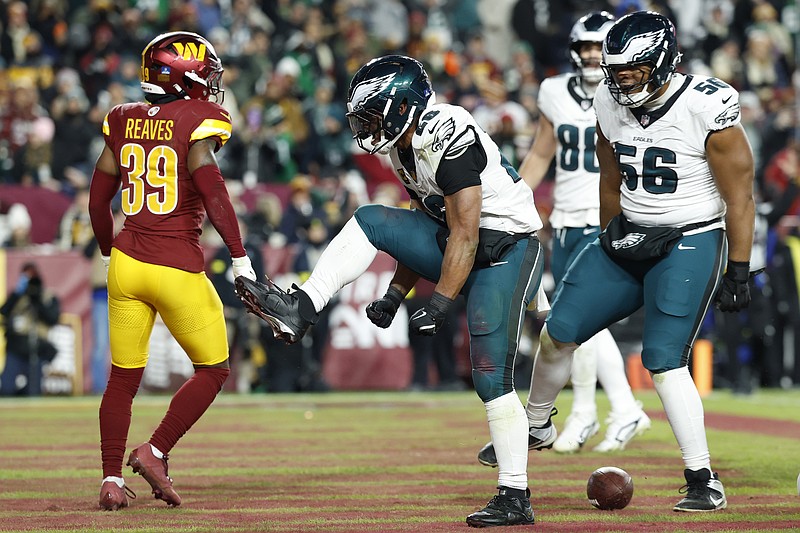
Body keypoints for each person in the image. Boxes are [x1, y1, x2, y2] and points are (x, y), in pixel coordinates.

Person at [235, 55, 546, 527]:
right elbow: (429, 224)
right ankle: (303, 306)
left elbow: (464, 232)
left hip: (505, 248)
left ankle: (515, 494)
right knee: (372, 219)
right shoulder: (400, 148)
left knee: (489, 375)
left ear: (402, 106)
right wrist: (396, 294)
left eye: (373, 112)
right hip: (461, 243)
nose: (365, 125)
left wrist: (439, 303)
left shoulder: (447, 130)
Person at [516, 11, 755, 513]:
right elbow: (610, 176)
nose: (622, 81)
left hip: (690, 237)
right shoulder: (606, 99)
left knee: (663, 360)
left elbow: (740, 197)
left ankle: (702, 477)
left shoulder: (704, 105)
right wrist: (608, 236)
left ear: (663, 62)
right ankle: (534, 424)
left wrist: (738, 267)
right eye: (615, 71)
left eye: (633, 71)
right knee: (559, 329)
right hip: (629, 230)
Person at [88, 31, 257, 511]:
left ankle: (110, 479)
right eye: (205, 73)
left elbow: (98, 201)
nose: (211, 81)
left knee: (122, 379)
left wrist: (107, 250)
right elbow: (213, 192)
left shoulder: (121, 119)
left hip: (126, 264)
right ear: (185, 76)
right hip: (175, 265)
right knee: (214, 369)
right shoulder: (199, 119)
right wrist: (240, 257)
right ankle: (155, 450)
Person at [477, 11, 650, 461]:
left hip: (609, 212)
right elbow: (540, 151)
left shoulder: (630, 92)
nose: (594, 54)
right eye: (587, 47)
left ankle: (592, 411)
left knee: (579, 318)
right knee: (580, 321)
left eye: (601, 46)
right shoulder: (553, 90)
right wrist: (514, 200)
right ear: (575, 51)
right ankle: (619, 408)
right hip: (568, 216)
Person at [0, 262, 61, 396]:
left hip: (37, 348)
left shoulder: (48, 296)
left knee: (33, 391)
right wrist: (17, 294)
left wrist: (37, 301)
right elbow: (4, 312)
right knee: (6, 389)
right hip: (16, 346)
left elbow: (53, 319)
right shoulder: (17, 296)